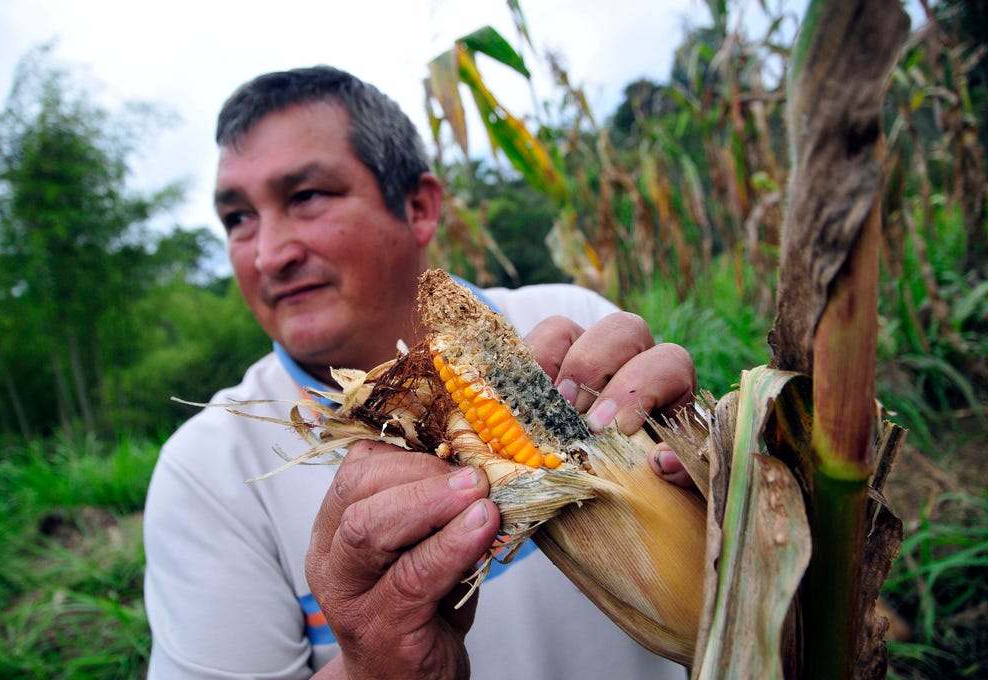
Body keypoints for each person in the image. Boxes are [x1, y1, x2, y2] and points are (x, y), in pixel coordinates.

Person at [143, 65, 697, 679]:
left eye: (305, 198)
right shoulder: (205, 474)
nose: (269, 255)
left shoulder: (576, 329)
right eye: (237, 218)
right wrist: (369, 667)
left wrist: (709, 467)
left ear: (418, 207)